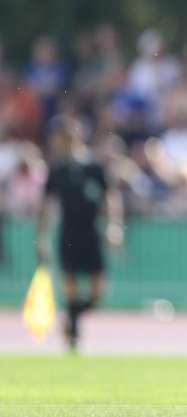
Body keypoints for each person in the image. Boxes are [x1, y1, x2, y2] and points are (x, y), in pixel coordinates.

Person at [35, 119, 124, 351]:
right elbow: (46, 205)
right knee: (71, 287)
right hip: (68, 233)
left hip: (91, 232)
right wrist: (42, 238)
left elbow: (110, 197)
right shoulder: (57, 170)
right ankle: (73, 334)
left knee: (97, 293)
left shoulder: (94, 167)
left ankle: (71, 318)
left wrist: (114, 226)